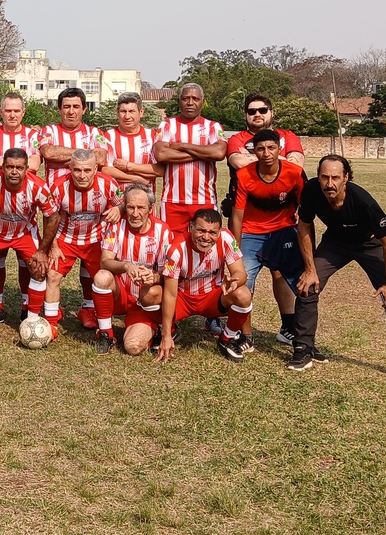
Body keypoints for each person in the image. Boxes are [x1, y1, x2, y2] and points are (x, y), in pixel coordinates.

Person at [289, 156, 386, 381]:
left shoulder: (362, 201)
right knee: (307, 286)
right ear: (318, 177)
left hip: (369, 244)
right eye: (324, 177)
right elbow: (304, 227)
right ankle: (303, 348)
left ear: (346, 178)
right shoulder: (310, 191)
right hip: (335, 243)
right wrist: (310, 269)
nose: (330, 183)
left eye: (336, 177)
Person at [224, 94, 306, 344]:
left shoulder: (288, 135)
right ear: (246, 115)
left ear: (272, 111)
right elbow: (237, 161)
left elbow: (297, 164)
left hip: (282, 223)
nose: (257, 114)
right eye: (251, 111)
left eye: (262, 110)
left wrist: (262, 158)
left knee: (281, 275)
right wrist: (272, 159)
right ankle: (243, 333)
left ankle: (289, 327)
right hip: (248, 225)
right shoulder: (236, 138)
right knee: (243, 279)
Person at [39, 87, 110, 329]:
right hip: (57, 208)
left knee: (92, 267)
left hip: (91, 206)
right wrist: (84, 155)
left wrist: (73, 156)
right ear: (59, 109)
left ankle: (88, 309)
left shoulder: (95, 132)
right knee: (52, 264)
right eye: (66, 106)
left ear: (84, 109)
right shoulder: (48, 130)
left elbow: (100, 158)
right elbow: (48, 151)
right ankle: (50, 313)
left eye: (76, 106)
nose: (71, 111)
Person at [0, 147, 58, 327]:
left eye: (19, 168)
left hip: (24, 232)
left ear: (27, 169)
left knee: (39, 267)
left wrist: (43, 250)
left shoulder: (38, 186)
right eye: (10, 166)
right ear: (2, 167)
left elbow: (52, 217)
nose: (14, 171)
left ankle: (31, 316)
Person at [157, 208, 253, 364]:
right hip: (183, 298)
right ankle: (170, 332)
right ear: (191, 227)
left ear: (219, 232)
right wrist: (165, 335)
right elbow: (170, 293)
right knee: (152, 294)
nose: (206, 237)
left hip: (212, 297)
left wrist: (235, 281)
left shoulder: (227, 238)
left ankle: (226, 338)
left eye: (212, 233)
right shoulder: (176, 249)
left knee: (243, 294)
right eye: (201, 230)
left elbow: (241, 273)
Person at [43, 149, 119, 341]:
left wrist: (119, 208)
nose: (82, 175)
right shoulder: (58, 186)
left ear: (95, 168)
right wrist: (53, 246)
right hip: (65, 238)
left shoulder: (108, 184)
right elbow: (49, 217)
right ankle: (51, 323)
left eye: (87, 170)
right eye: (77, 170)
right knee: (52, 275)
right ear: (70, 168)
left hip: (96, 239)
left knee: (103, 279)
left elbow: (123, 202)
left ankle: (95, 315)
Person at [93, 183, 173, 356]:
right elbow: (105, 262)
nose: (135, 214)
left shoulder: (163, 231)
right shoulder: (115, 226)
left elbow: (167, 274)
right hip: (121, 294)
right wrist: (126, 266)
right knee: (102, 277)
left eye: (141, 208)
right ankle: (106, 333)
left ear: (151, 208)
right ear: (124, 207)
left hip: (144, 302)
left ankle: (157, 328)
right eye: (130, 207)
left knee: (132, 347)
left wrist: (152, 277)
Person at [152, 83, 227, 235]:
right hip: (173, 201)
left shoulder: (213, 126)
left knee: (205, 245)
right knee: (172, 248)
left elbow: (219, 153)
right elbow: (161, 154)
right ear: (179, 101)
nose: (190, 103)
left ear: (202, 101)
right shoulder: (168, 124)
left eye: (195, 98)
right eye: (186, 98)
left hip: (204, 199)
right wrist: (203, 153)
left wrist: (182, 146)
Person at [102, 93, 162, 192]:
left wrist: (128, 166)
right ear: (117, 113)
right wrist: (137, 179)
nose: (127, 116)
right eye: (123, 111)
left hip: (146, 202)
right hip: (117, 200)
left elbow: (159, 170)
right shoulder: (108, 136)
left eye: (132, 111)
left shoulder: (152, 136)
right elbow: (106, 170)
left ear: (141, 112)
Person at [0, 91, 41, 177]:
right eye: (8, 111)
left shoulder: (32, 135)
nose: (12, 115)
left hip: (25, 189)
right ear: (1, 112)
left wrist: (0, 162)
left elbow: (35, 164)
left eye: (16, 111)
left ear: (23, 112)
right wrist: (22, 164)